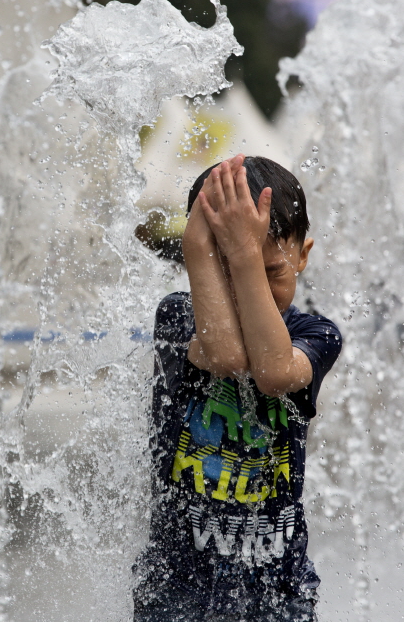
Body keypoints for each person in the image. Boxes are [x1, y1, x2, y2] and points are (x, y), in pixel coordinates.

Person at [133, 154, 342, 622]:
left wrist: (242, 255)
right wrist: (202, 251)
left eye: (270, 272)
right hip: (177, 588)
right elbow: (226, 357)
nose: (254, 286)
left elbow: (271, 370)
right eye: (224, 269)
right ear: (202, 258)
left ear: (302, 256)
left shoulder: (317, 335)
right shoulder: (177, 317)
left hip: (278, 588)